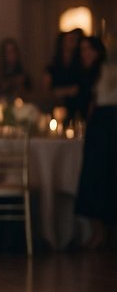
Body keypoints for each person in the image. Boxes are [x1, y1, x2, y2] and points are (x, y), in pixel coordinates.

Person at [75, 37, 116, 248]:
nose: (85, 54)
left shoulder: (107, 71)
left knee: (104, 178)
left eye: (88, 49)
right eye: (82, 50)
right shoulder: (88, 75)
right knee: (94, 178)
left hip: (108, 128)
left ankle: (104, 233)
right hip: (97, 129)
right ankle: (98, 233)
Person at [45, 28, 85, 122]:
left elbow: (81, 88)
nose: (72, 43)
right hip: (57, 109)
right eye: (69, 40)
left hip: (78, 108)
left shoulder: (80, 66)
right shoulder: (53, 66)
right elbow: (46, 91)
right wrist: (65, 91)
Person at [0, 37, 33, 102]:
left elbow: (29, 93)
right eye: (8, 52)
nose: (12, 55)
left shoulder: (22, 72)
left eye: (13, 51)